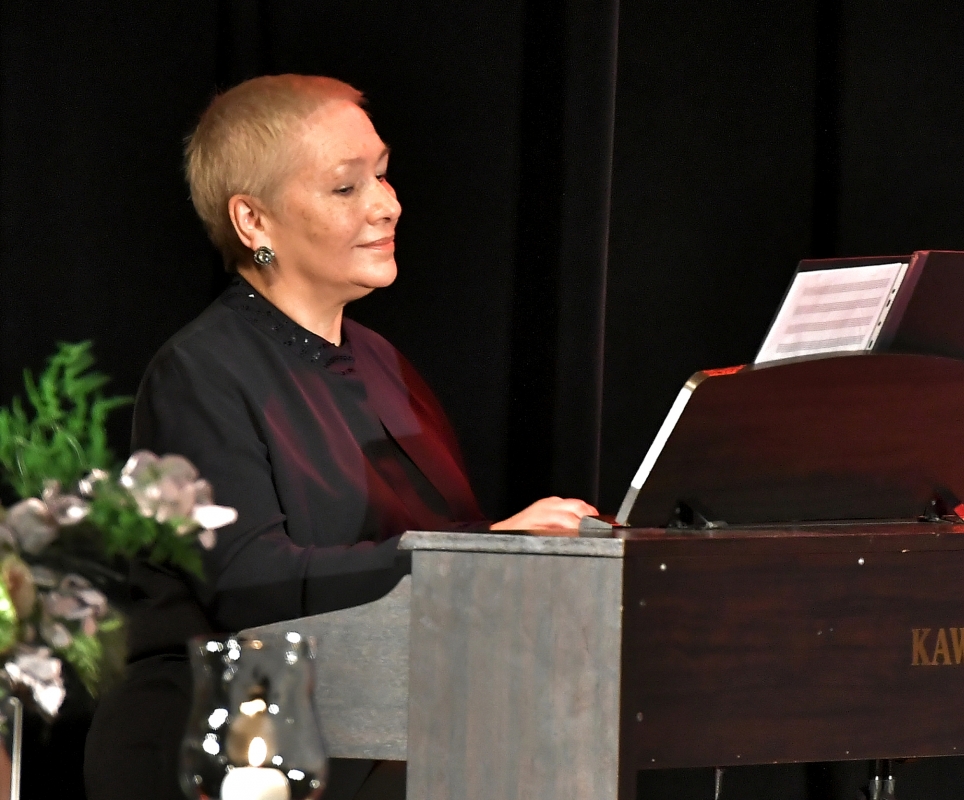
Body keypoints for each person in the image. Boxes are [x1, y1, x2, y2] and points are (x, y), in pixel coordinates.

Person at [83, 74, 597, 800]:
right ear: (253, 221)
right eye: (346, 187)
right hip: (232, 745)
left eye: (382, 175)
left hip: (377, 725)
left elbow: (438, 563)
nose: (387, 204)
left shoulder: (383, 362)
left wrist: (537, 552)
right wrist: (480, 552)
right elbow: (249, 584)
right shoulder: (199, 372)